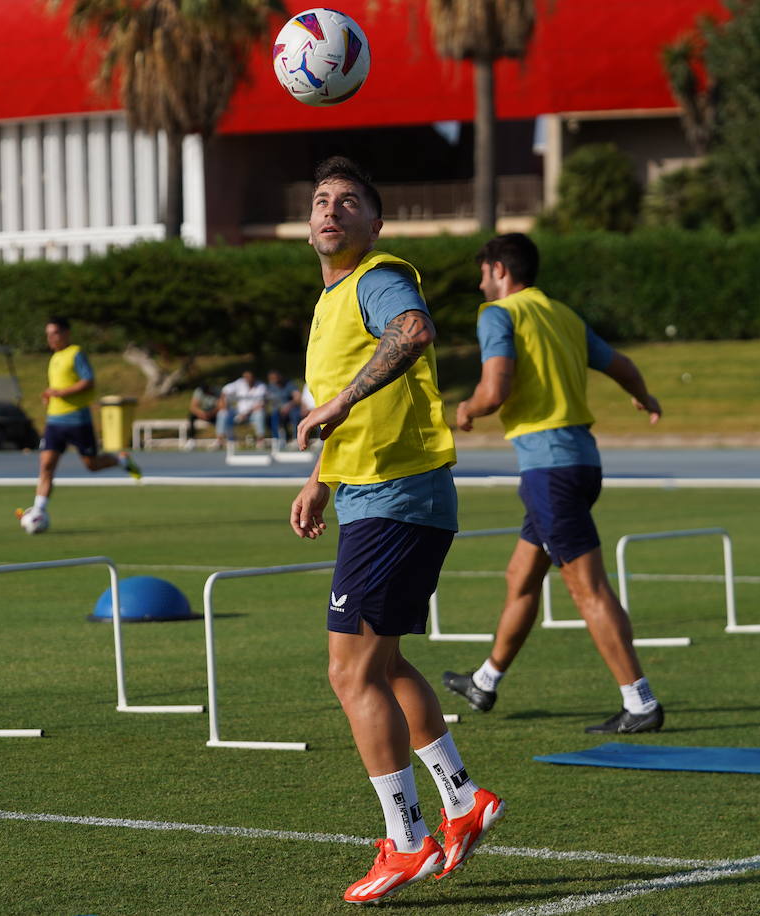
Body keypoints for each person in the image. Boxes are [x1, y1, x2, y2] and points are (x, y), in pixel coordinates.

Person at [290, 156, 504, 906]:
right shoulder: (331, 301)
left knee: (350, 674)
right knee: (381, 666)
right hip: (375, 495)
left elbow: (413, 332)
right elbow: (355, 406)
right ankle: (461, 798)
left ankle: (406, 842)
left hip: (397, 496)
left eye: (350, 202)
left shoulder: (378, 276)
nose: (331, 210)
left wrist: (341, 403)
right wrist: (323, 476)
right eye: (321, 200)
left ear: (374, 223)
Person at [442, 233, 666, 735]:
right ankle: (485, 679)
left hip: (549, 471)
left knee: (588, 590)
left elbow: (495, 389)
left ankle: (641, 701)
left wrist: (467, 408)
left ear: (500, 269)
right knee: (521, 577)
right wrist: (644, 397)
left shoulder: (498, 315)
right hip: (582, 464)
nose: (481, 284)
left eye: (483, 274)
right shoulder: (562, 314)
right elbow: (623, 365)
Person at [16, 316, 140, 523]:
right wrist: (49, 395)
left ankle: (120, 460)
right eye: (48, 334)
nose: (50, 338)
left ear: (66, 333)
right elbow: (58, 388)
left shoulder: (76, 353)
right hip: (55, 421)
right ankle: (39, 511)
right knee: (46, 464)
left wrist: (62, 392)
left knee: (91, 465)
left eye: (54, 333)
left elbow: (88, 381)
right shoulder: (54, 357)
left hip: (77, 420)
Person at [216, 369, 268, 446]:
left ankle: (260, 440)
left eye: (250, 377)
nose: (248, 379)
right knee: (222, 413)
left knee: (260, 413)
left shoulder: (261, 386)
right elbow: (225, 391)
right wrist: (224, 405)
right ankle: (220, 440)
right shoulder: (239, 383)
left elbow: (261, 404)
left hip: (252, 414)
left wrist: (245, 414)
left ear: (254, 377)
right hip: (238, 412)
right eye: (246, 377)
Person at [265, 369, 304, 445]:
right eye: (271, 379)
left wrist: (289, 405)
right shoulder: (270, 387)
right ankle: (278, 439)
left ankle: (296, 438)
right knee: (272, 417)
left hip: (292, 409)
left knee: (295, 415)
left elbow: (298, 397)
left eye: (275, 378)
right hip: (277, 411)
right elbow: (266, 399)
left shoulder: (289, 385)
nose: (273, 380)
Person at [187, 379, 222, 448]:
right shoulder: (198, 392)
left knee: (221, 417)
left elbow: (221, 406)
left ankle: (219, 440)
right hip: (204, 411)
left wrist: (211, 413)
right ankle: (191, 440)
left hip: (214, 412)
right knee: (191, 416)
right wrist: (201, 413)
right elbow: (193, 407)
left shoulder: (217, 391)